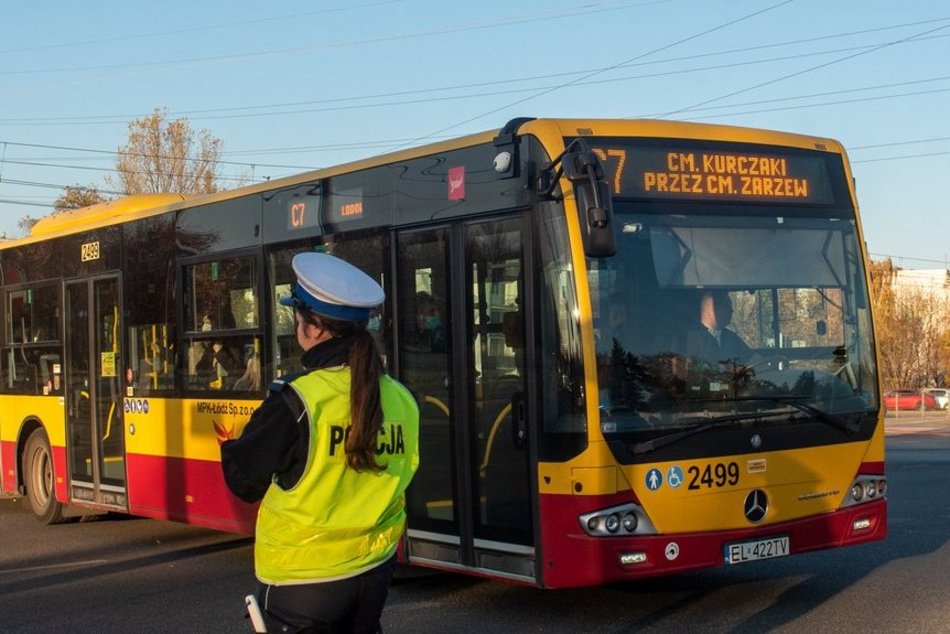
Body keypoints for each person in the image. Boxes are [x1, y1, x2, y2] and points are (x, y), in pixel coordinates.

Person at [220, 252, 420, 633]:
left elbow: (242, 480)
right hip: (372, 572)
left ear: (311, 329)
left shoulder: (296, 401)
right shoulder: (401, 398)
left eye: (296, 318)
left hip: (303, 581)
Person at [681, 290, 752, 367]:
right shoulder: (687, 338)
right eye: (725, 306)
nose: (731, 310)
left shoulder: (731, 337)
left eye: (730, 306)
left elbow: (754, 360)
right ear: (708, 309)